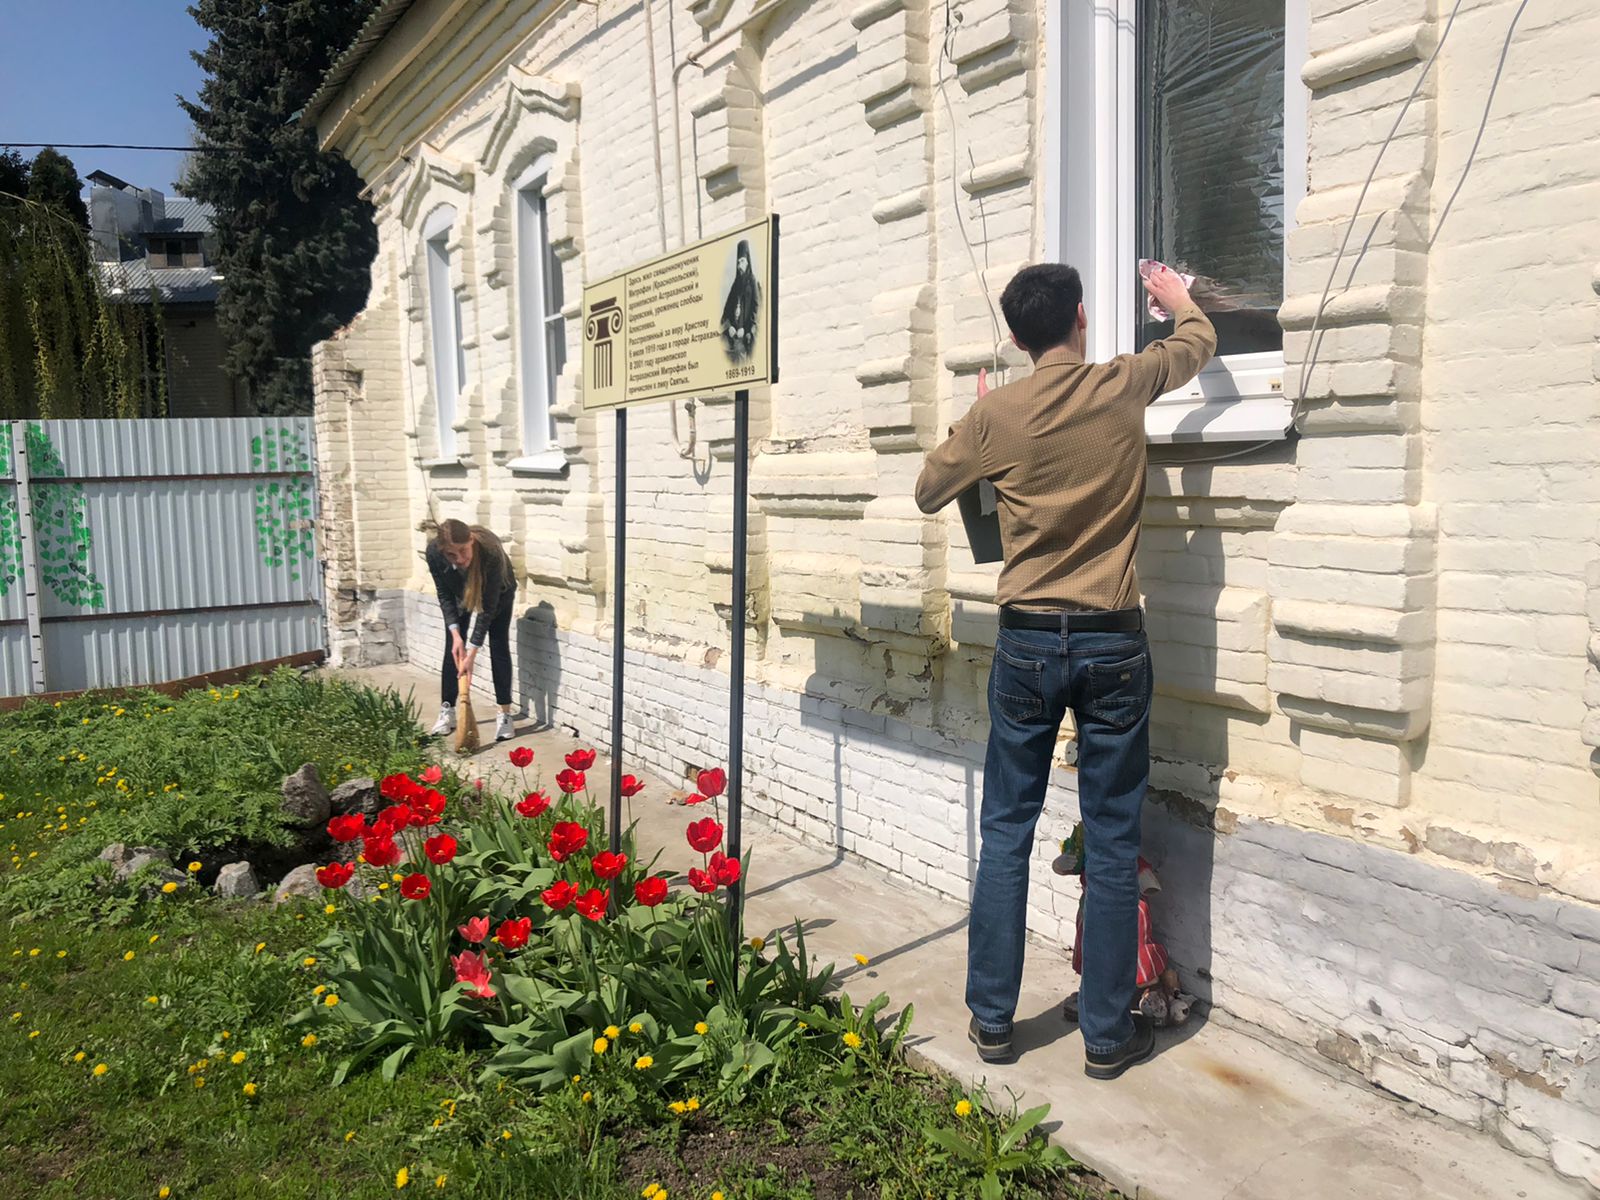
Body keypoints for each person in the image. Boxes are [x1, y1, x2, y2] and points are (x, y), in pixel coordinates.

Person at [914, 261, 1214, 1080]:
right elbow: (1197, 342)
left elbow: (928, 490)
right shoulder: (1121, 384)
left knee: (1006, 830)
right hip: (1113, 640)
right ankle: (1109, 1039)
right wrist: (1174, 297)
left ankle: (992, 1022)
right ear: (1081, 317)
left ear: (1016, 337)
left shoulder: (996, 413)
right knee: (1113, 840)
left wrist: (978, 436)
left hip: (1026, 645)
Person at [424, 519, 519, 743]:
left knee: (498, 644)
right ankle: (447, 709)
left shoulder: (490, 552)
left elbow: (488, 609)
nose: (459, 559)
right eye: (451, 555)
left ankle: (504, 714)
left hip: (499, 594)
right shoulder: (434, 553)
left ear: (472, 541)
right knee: (453, 650)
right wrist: (457, 636)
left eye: (463, 551)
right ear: (442, 551)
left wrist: (473, 653)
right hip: (459, 592)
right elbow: (444, 594)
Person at [720, 239, 760, 361]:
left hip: (746, 333)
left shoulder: (752, 281)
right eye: (738, 262)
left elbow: (756, 308)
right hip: (733, 334)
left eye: (742, 261)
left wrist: (746, 328)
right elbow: (726, 310)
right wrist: (729, 327)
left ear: (747, 262)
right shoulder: (735, 284)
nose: (739, 265)